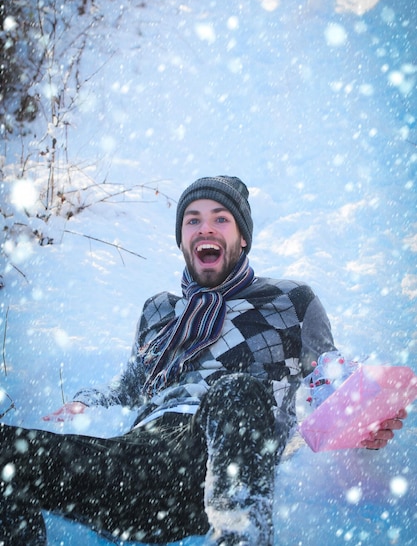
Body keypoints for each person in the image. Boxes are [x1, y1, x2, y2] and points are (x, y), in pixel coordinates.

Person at [0, 175, 406, 546]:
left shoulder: (291, 300)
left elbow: (328, 377)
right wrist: (84, 404)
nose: (205, 228)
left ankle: (240, 535)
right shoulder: (160, 312)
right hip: (140, 467)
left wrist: (359, 417)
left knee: (237, 392)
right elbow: (129, 385)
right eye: (192, 220)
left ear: (243, 238)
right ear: (181, 239)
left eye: (221, 219)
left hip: (234, 456)